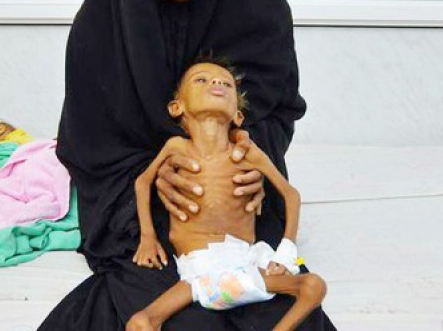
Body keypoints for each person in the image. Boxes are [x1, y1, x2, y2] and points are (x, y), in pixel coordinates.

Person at [40, 0, 336, 328]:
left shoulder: (260, 12)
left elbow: (280, 112)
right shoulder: (100, 30)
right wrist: (155, 178)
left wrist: (245, 162)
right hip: (144, 222)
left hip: (236, 215)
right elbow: (90, 150)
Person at [127, 59, 326, 331]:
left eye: (226, 83)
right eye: (202, 79)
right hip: (198, 273)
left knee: (314, 286)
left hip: (246, 265)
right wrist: (148, 238)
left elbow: (291, 195)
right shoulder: (176, 148)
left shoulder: (247, 153)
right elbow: (143, 182)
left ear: (238, 116)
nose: (216, 83)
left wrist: (287, 251)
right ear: (177, 107)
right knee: (141, 321)